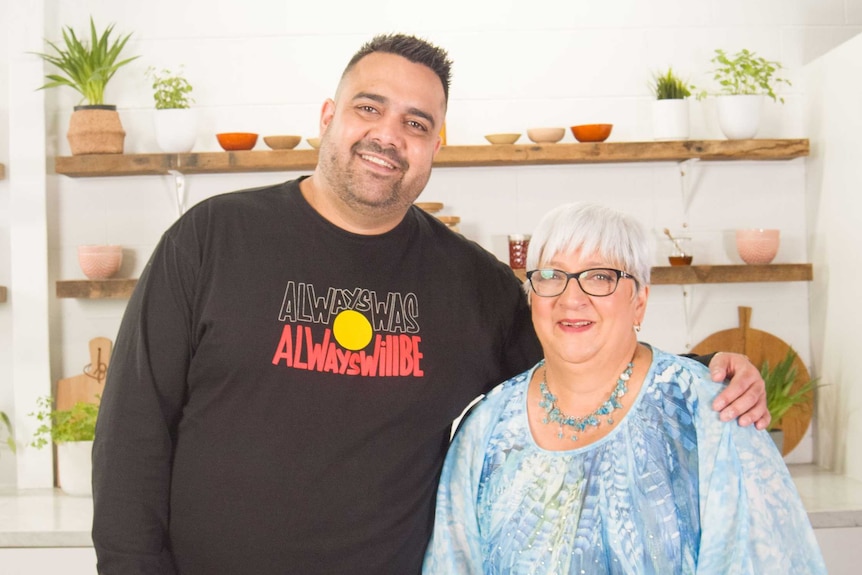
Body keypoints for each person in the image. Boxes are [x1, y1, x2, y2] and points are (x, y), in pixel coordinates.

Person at [92, 34, 770, 575]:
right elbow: (132, 432)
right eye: (368, 107)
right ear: (328, 118)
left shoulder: (470, 283)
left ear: (435, 147)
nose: (389, 134)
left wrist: (709, 369)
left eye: (416, 122)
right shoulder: (211, 239)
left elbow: (582, 363)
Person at [422, 202, 825, 574]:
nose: (571, 297)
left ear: (640, 301)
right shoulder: (486, 427)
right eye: (551, 275)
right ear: (532, 296)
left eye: (600, 276)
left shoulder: (712, 409)